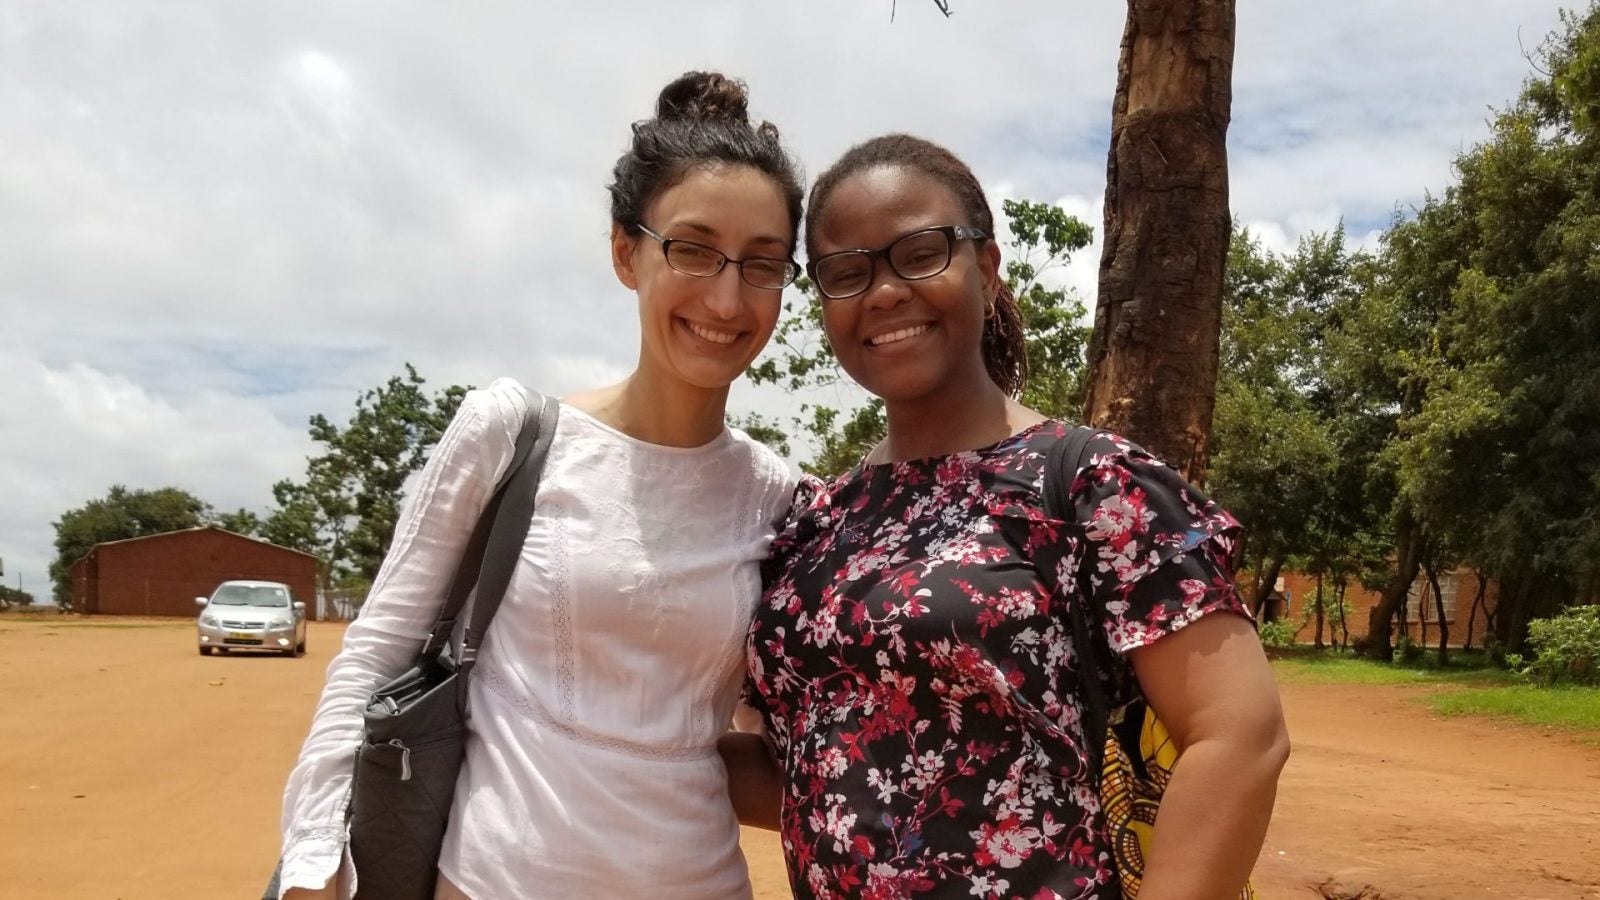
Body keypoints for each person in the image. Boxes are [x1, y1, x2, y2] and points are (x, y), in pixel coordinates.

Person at [279, 71, 804, 900]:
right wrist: (315, 864)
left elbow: (786, 729)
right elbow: (375, 654)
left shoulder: (778, 497)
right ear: (626, 252)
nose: (727, 295)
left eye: (763, 264)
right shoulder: (514, 435)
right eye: (693, 248)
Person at [733, 134, 1289, 899]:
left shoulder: (1094, 485)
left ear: (986, 269)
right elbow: (804, 771)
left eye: (920, 252)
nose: (885, 291)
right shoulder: (810, 525)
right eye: (847, 272)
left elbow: (1239, 735)